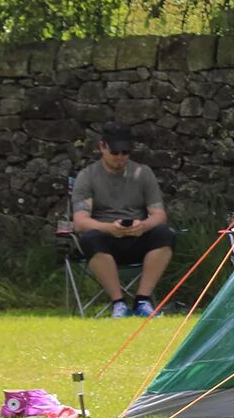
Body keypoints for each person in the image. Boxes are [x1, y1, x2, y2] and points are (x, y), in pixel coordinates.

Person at [71, 123, 176, 318]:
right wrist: (109, 228)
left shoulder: (143, 173)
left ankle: (142, 300)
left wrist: (143, 225)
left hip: (137, 236)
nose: (120, 157)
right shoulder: (87, 176)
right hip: (105, 240)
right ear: (102, 147)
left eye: (125, 152)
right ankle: (118, 303)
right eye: (115, 152)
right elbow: (80, 221)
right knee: (90, 238)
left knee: (164, 234)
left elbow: (159, 215)